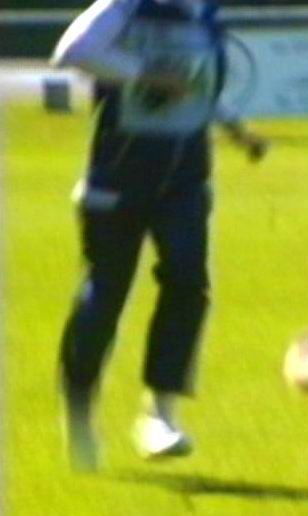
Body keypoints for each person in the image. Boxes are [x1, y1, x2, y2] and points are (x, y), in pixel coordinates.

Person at [52, 0, 240, 471]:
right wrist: (148, 75)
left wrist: (234, 126)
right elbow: (74, 50)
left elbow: (196, 84)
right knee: (105, 296)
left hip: (186, 179)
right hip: (118, 179)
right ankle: (79, 414)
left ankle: (160, 414)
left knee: (187, 285)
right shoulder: (128, 4)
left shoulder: (206, 13)